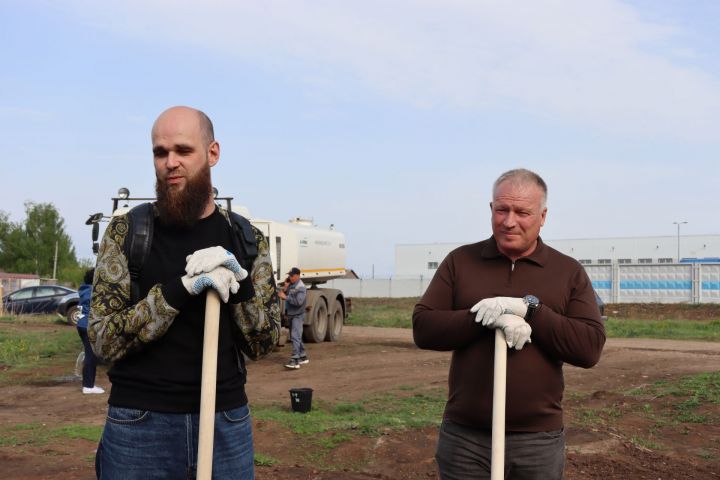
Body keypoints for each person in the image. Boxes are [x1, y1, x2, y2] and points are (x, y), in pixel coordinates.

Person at [88, 106, 280, 479]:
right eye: (160, 152)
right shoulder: (127, 233)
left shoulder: (245, 239)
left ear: (212, 153)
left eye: (183, 150)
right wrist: (178, 291)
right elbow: (102, 340)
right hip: (139, 427)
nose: (170, 162)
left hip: (225, 423)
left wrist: (238, 288)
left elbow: (264, 343)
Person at [413, 168, 605, 479]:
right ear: (491, 209)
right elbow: (424, 327)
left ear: (542, 216)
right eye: (502, 209)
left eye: (522, 212)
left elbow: (588, 348)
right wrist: (487, 317)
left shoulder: (567, 271)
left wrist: (530, 311)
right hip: (466, 439)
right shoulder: (460, 261)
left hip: (537, 442)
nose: (509, 220)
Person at [77, 268, 104, 394]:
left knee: (89, 353)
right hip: (88, 325)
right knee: (91, 355)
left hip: (81, 324)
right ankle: (88, 386)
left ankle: (87, 383)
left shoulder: (84, 290)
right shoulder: (94, 291)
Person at [278, 267, 309, 369]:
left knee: (295, 336)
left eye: (291, 275)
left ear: (297, 275)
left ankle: (295, 360)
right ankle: (303, 356)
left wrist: (285, 297)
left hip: (297, 315)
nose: (289, 277)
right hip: (291, 314)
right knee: (296, 336)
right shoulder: (292, 285)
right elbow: (286, 295)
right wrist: (286, 289)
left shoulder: (301, 287)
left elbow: (298, 302)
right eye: (289, 275)